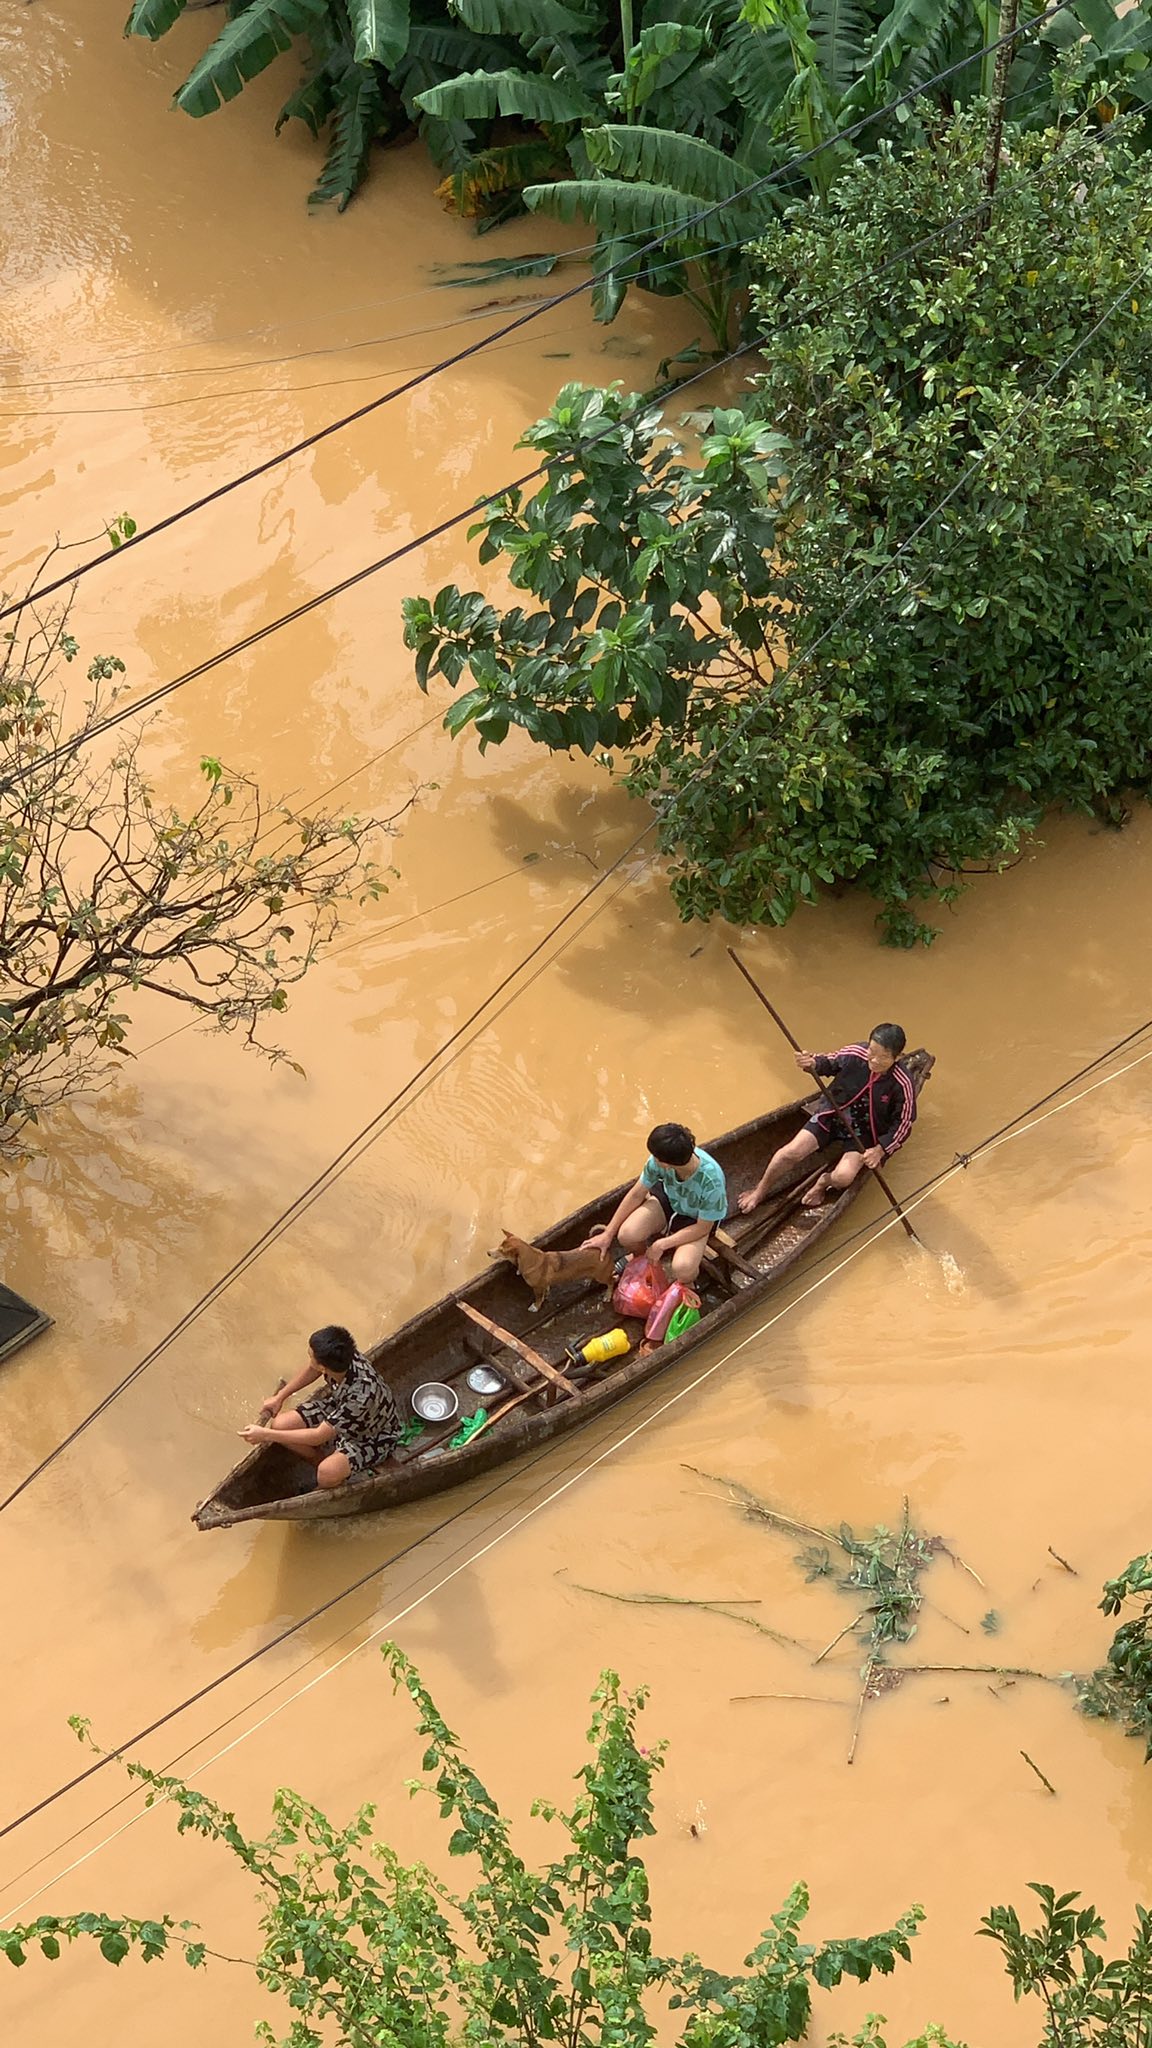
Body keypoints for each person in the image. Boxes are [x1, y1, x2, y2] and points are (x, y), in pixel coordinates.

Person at [738, 1025, 916, 1215]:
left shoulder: (902, 1083)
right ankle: (760, 1190)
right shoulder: (856, 1053)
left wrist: (880, 1150)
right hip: (832, 1114)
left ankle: (823, 1181)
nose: (874, 1060)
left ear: (897, 1057)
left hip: (864, 1132)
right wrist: (811, 1062)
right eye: (872, 1051)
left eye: (883, 1057)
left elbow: (904, 1123)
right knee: (789, 1152)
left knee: (843, 1178)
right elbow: (829, 1062)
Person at [240, 1325, 401, 1488]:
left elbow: (318, 1436)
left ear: (324, 1367)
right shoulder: (344, 1358)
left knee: (326, 1472)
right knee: (280, 1425)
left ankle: (332, 1477)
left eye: (311, 1357)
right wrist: (280, 1397)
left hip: (373, 1436)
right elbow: (313, 1369)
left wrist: (266, 1435)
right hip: (339, 1406)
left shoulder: (361, 1397)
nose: (310, 1360)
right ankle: (320, 1459)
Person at [584, 1122, 728, 1283]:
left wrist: (662, 1244)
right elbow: (636, 1194)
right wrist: (608, 1233)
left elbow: (702, 1227)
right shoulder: (661, 1162)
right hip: (669, 1200)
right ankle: (641, 1259)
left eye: (656, 1157)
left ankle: (687, 1284)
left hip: (695, 1220)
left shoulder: (711, 1182)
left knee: (683, 1268)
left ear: (666, 1164)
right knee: (626, 1235)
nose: (653, 1159)